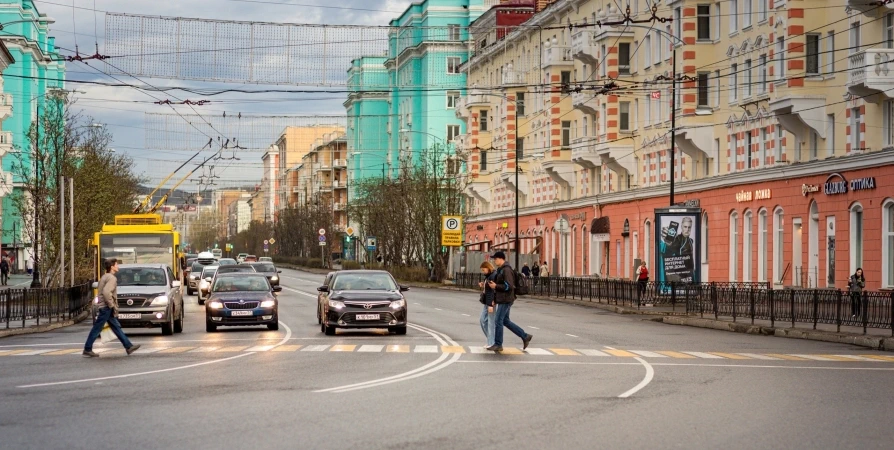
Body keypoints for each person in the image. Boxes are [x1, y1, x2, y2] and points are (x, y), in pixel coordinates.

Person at [83, 258, 141, 358]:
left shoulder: (105, 276)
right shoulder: (112, 278)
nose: (118, 266)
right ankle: (87, 348)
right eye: (116, 265)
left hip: (105, 307)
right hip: (106, 307)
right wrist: (111, 305)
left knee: (116, 327)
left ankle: (128, 346)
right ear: (112, 267)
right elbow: (106, 292)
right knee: (97, 328)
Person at [487, 251, 533, 352]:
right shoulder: (501, 269)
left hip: (506, 299)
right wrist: (495, 297)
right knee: (505, 321)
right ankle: (525, 336)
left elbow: (509, 286)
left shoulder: (506, 270)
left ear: (501, 259)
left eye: (495, 259)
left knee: (498, 321)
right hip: (503, 298)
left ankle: (498, 344)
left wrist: (496, 286)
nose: (494, 261)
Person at [659, 217, 695, 283]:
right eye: (685, 227)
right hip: (680, 275)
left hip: (689, 273)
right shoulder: (677, 239)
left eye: (689, 227)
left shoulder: (690, 241)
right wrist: (668, 243)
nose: (687, 229)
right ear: (681, 226)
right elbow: (670, 249)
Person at [478, 261, 497, 349]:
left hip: (490, 303)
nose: (483, 271)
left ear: (488, 267)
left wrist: (490, 304)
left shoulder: (493, 276)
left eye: (483, 269)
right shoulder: (489, 276)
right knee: (482, 320)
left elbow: (492, 292)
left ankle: (492, 342)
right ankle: (490, 340)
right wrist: (483, 284)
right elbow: (488, 289)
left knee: (490, 323)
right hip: (487, 302)